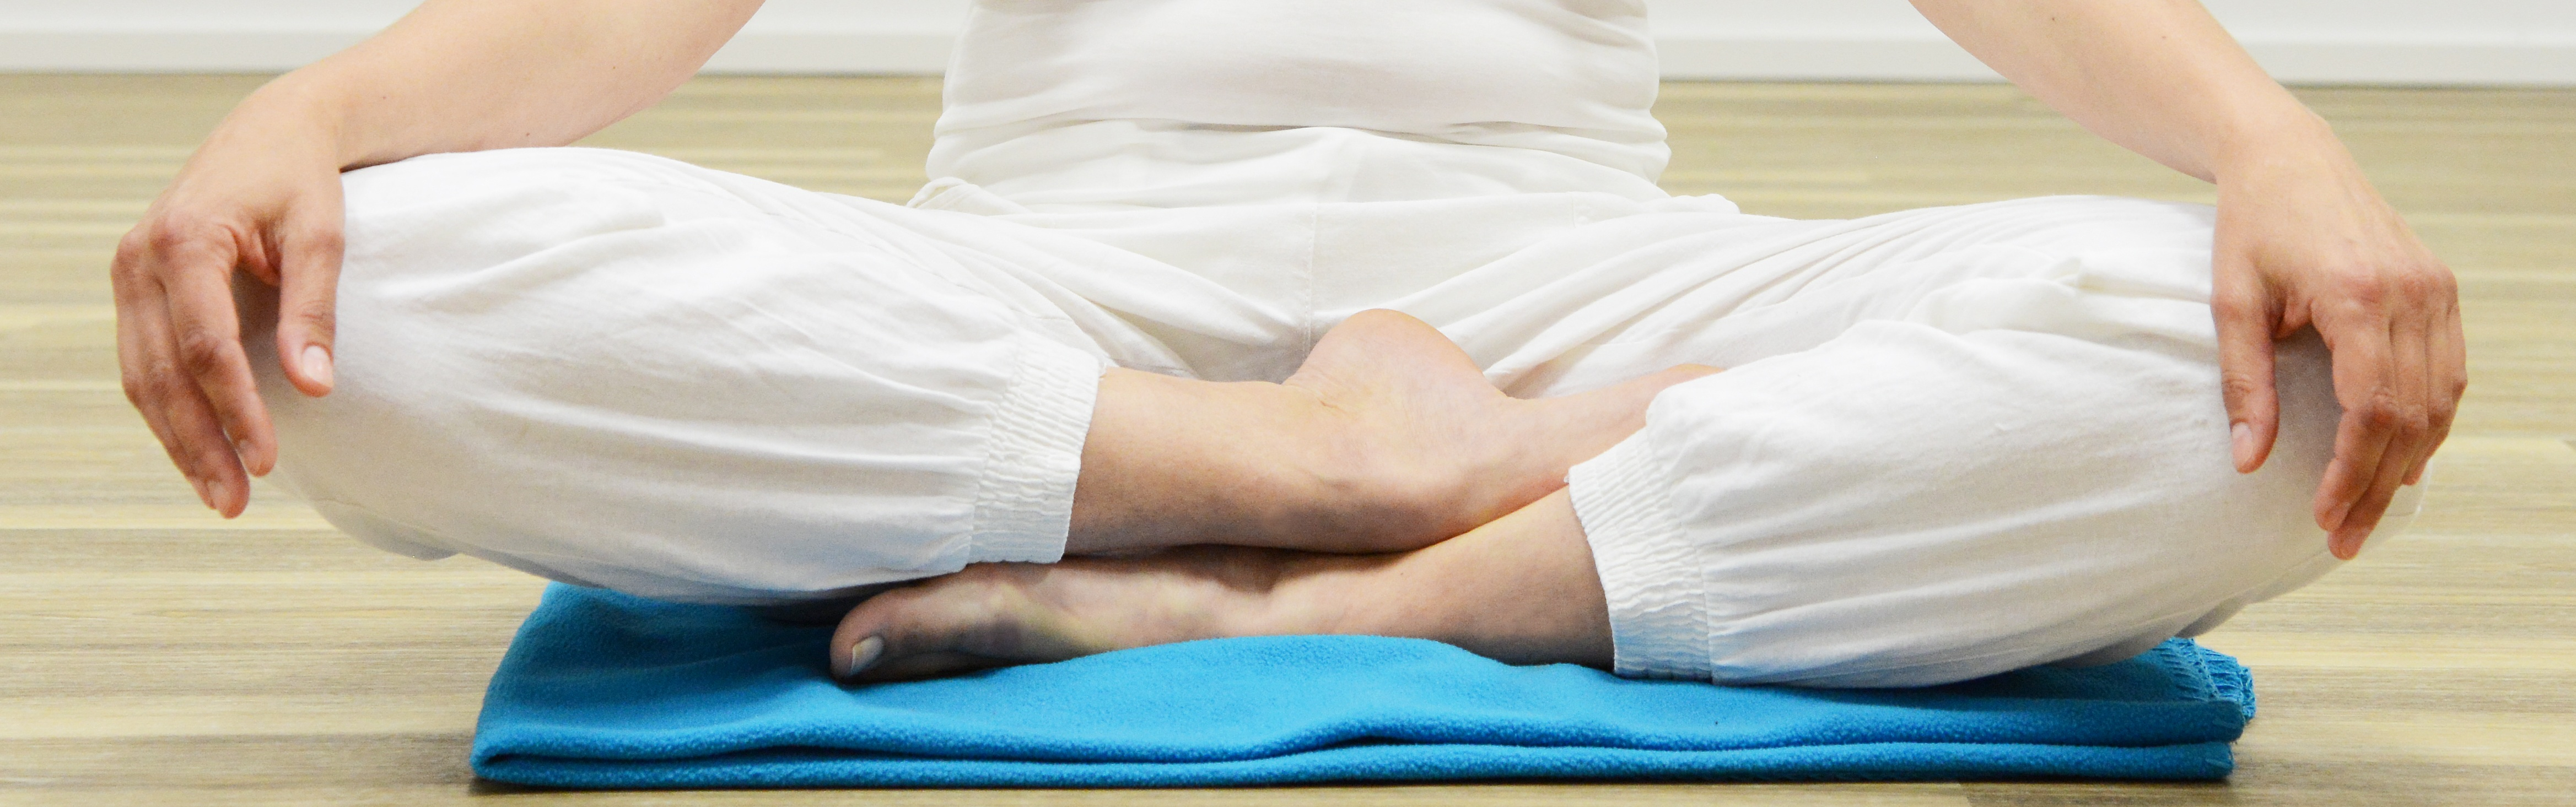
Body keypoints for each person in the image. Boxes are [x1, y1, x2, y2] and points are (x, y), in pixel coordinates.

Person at [113, 0, 2461, 687]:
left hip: (1553, 281)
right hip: (1059, 286)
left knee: (2262, 379)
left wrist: (2268, 148)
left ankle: (1358, 576)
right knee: (372, 305)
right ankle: (1368, 477)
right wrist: (308, 118)